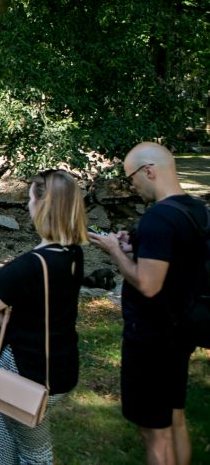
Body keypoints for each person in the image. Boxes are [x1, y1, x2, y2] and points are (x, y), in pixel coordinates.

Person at [88, 142, 205, 465]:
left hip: (151, 337)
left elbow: (149, 284)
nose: (132, 186)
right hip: (179, 328)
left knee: (154, 432)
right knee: (174, 418)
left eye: (131, 178)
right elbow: (172, 260)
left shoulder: (158, 218)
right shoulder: (194, 209)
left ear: (149, 170)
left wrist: (113, 250)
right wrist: (134, 245)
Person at [0, 170, 87, 464]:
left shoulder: (27, 267)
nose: (27, 206)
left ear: (42, 205)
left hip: (28, 371)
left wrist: (2, 311)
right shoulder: (73, 254)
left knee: (35, 451)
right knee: (2, 439)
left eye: (29, 199)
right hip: (60, 364)